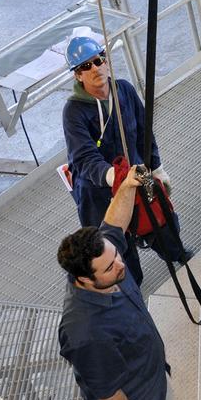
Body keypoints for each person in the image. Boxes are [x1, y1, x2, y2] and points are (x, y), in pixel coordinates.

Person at [57, 165, 196, 400]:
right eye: (109, 267)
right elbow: (106, 391)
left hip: (154, 383)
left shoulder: (104, 256)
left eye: (116, 257)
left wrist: (129, 186)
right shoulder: (85, 331)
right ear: (84, 279)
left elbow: (113, 223)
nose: (121, 263)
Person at [62, 36, 166, 287]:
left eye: (99, 60)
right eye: (86, 66)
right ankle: (131, 285)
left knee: (160, 218)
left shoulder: (124, 90)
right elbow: (85, 157)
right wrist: (114, 178)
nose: (96, 68)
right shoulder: (74, 112)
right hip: (98, 192)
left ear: (106, 61)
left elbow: (144, 130)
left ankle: (174, 253)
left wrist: (156, 166)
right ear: (77, 75)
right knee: (114, 242)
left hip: (137, 172)